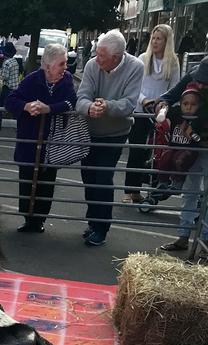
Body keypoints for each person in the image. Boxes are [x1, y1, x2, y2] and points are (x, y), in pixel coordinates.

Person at [76, 28, 144, 246]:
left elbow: (129, 103)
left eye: (102, 56)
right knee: (88, 176)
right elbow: (82, 96)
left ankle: (101, 227)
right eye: (97, 53)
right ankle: (93, 221)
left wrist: (106, 106)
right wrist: (89, 108)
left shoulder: (135, 67)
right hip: (90, 130)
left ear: (116, 58)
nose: (97, 59)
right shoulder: (92, 65)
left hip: (116, 132)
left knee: (103, 178)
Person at [5, 43, 77, 234]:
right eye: (61, 64)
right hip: (29, 139)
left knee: (47, 182)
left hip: (52, 140)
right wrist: (27, 106)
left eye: (65, 63)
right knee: (27, 180)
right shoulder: (32, 80)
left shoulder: (67, 80)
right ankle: (28, 219)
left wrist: (49, 108)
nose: (65, 68)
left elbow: (71, 102)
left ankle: (40, 220)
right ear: (47, 66)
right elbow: (11, 101)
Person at [122, 25, 180, 204]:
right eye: (153, 38)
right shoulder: (142, 59)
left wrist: (164, 105)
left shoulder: (173, 62)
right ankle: (131, 190)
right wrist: (144, 100)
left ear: (166, 41)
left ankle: (153, 191)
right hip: (140, 111)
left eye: (159, 39)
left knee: (157, 153)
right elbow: (134, 86)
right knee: (137, 150)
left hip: (160, 114)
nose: (155, 42)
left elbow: (175, 88)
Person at [157, 58, 208, 253]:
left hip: (200, 142)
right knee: (190, 191)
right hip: (192, 147)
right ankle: (183, 236)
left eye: (206, 82)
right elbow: (168, 97)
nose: (201, 85)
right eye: (200, 80)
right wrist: (162, 108)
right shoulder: (195, 73)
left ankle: (205, 242)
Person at [150, 87, 207, 201]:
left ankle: (178, 181)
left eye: (193, 104)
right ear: (180, 104)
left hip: (189, 149)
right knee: (165, 156)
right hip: (174, 146)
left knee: (180, 159)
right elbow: (164, 109)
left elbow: (199, 140)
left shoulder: (198, 119)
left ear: (199, 106)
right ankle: (163, 181)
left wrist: (191, 134)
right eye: (185, 104)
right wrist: (163, 108)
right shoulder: (177, 112)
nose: (188, 107)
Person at [0, 40, 19, 130]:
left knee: (0, 106)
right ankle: (18, 125)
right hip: (16, 87)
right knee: (15, 107)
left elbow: (4, 77)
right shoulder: (15, 61)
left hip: (7, 87)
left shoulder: (6, 63)